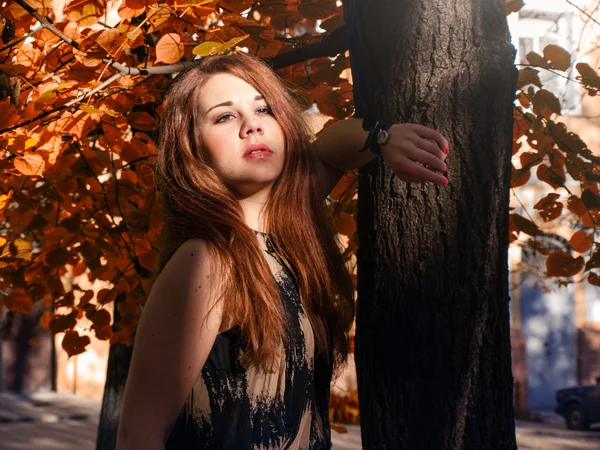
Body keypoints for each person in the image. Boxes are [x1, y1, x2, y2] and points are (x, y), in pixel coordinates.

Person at [115, 52, 449, 450]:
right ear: (192, 149)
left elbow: (330, 148)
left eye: (264, 109)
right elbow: (139, 434)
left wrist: (384, 138)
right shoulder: (206, 259)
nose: (251, 124)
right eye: (224, 116)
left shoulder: (289, 235)